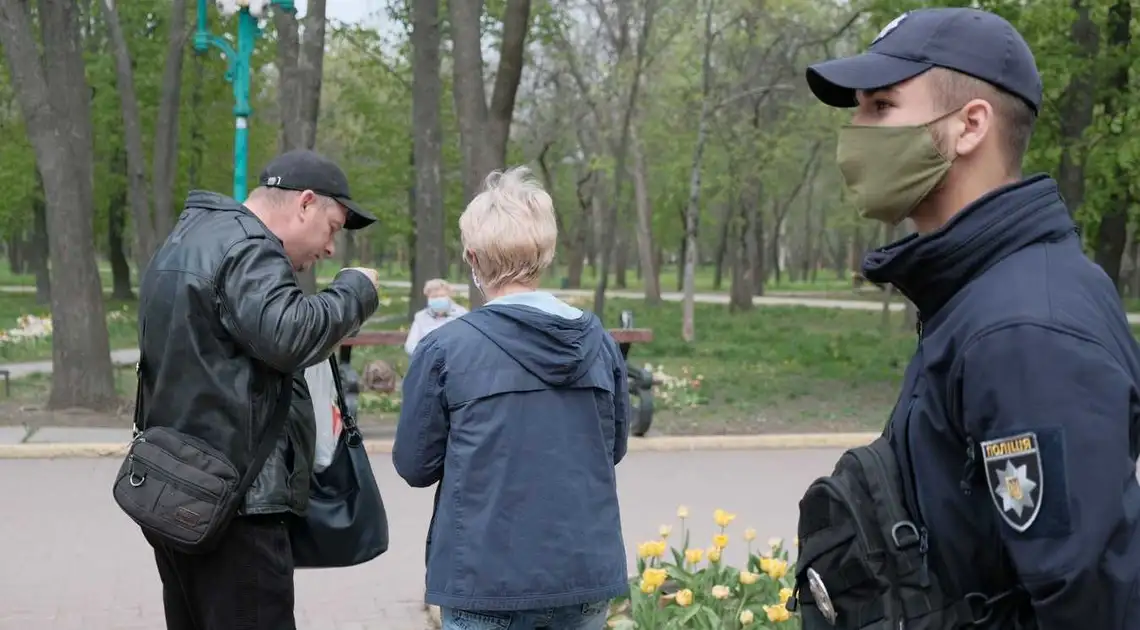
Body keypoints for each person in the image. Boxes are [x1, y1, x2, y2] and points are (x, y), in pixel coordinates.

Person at [804, 7, 1140, 628]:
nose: (855, 132)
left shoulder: (1025, 329)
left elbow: (1086, 601)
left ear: (970, 126)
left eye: (880, 106)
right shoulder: (976, 292)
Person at [136, 149, 381, 630]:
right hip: (238, 507)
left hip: (180, 491)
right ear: (305, 203)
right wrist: (355, 290)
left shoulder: (190, 239)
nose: (332, 249)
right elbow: (290, 335)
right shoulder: (250, 246)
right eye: (333, 227)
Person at [392, 167, 630, 630]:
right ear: (546, 253)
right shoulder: (598, 342)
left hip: (484, 578)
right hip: (582, 574)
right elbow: (612, 449)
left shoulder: (446, 348)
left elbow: (414, 465)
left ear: (473, 257)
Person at [404, 278, 468, 355]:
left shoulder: (462, 314)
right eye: (434, 296)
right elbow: (410, 345)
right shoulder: (420, 317)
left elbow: (467, 340)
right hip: (428, 360)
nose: (438, 299)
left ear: (449, 296)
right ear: (428, 298)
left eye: (442, 296)